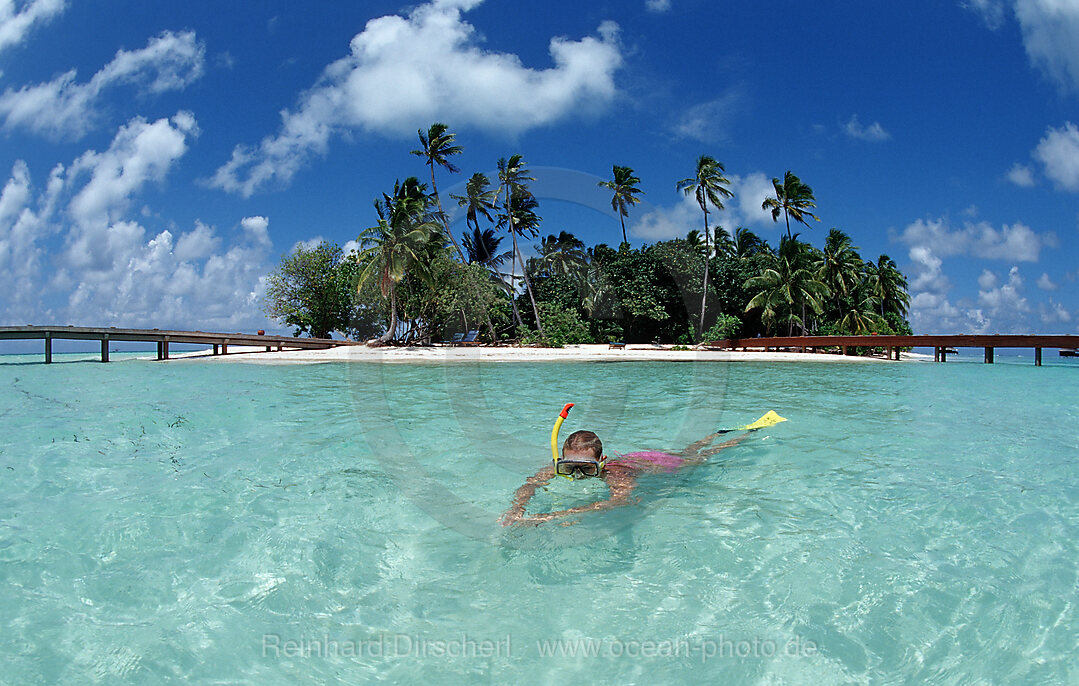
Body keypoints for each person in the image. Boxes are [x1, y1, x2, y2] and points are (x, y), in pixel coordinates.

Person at [499, 425, 757, 527]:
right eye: (570, 468)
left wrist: (557, 515)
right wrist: (516, 509)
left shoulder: (616, 475)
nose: (577, 475)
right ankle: (716, 432)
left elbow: (619, 502)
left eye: (586, 469)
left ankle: (739, 436)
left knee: (697, 457)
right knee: (688, 449)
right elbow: (531, 483)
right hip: (637, 457)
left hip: (661, 465)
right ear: (563, 460)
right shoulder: (561, 465)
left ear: (601, 462)